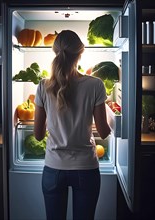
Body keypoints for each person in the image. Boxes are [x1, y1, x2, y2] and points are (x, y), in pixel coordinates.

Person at [34, 30, 111, 220]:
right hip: (86, 168)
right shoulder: (95, 85)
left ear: (55, 52)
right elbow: (103, 131)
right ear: (80, 53)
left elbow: (37, 135)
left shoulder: (43, 86)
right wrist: (110, 114)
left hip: (53, 169)